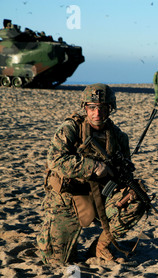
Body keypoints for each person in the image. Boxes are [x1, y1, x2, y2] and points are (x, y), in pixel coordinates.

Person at [36, 84, 148, 265]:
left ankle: (100, 247)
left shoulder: (118, 137)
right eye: (92, 107)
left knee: (137, 197)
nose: (97, 113)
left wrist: (124, 180)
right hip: (68, 196)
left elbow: (122, 172)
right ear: (85, 107)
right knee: (57, 260)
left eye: (102, 108)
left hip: (101, 194)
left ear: (110, 108)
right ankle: (49, 235)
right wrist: (94, 166)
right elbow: (55, 160)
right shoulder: (71, 128)